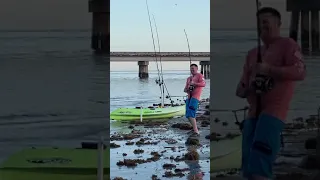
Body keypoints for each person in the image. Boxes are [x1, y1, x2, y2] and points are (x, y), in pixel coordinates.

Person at [236, 7, 306, 180]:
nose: (262, 26)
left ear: (278, 23)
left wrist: (269, 70)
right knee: (247, 166)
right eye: (259, 23)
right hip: (252, 114)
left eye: (266, 22)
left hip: (273, 113)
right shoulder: (252, 54)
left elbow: (300, 72)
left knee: (261, 163)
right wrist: (249, 87)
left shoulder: (288, 45)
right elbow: (239, 90)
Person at [184, 64, 206, 137]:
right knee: (187, 115)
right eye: (191, 69)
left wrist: (195, 84)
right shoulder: (188, 78)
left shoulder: (199, 75)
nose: (192, 70)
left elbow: (203, 84)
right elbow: (185, 89)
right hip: (189, 97)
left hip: (195, 97)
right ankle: (194, 129)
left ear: (197, 68)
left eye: (193, 68)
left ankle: (196, 131)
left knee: (191, 113)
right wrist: (187, 89)